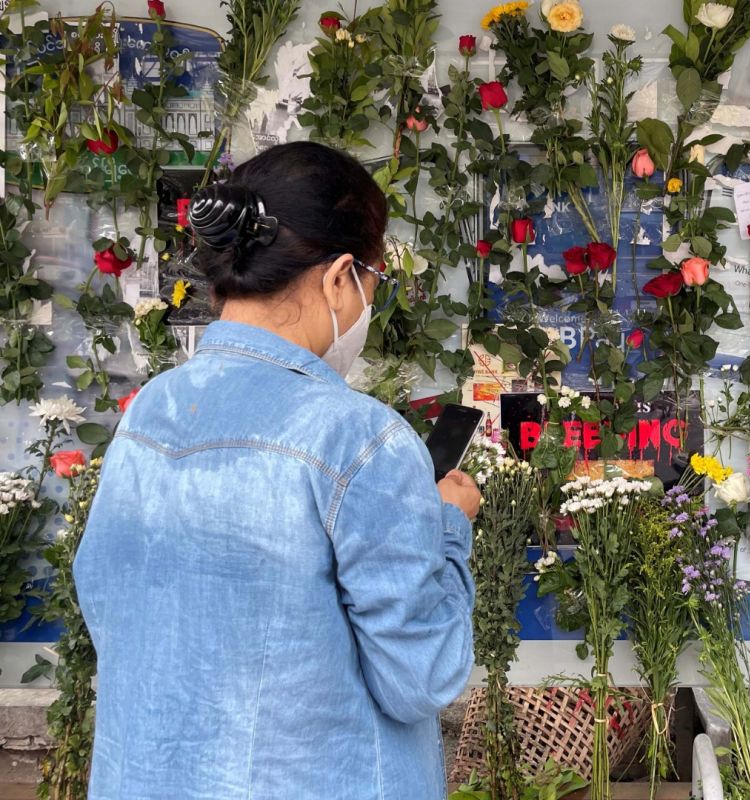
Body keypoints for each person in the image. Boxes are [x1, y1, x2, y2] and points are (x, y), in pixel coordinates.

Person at [74, 141, 480, 800]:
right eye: (377, 280)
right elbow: (421, 675)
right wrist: (449, 529)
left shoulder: (151, 411)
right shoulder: (360, 437)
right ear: (341, 276)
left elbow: (108, 602)